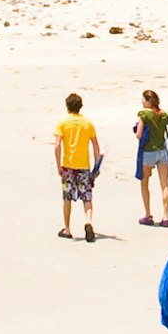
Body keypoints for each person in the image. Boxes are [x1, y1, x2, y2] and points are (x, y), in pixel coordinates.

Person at [54, 93, 104, 241]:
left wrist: (58, 166)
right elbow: (96, 147)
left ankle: (67, 228)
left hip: (68, 165)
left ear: (67, 106)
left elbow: (57, 146)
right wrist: (96, 166)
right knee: (87, 197)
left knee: (67, 197)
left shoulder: (63, 122)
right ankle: (88, 221)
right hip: (84, 165)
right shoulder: (88, 123)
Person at [132, 89, 168, 225]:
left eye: (143, 99)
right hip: (163, 151)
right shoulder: (165, 114)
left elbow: (138, 134)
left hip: (148, 152)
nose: (141, 102)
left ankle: (148, 214)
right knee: (164, 184)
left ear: (148, 101)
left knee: (144, 183)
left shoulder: (144, 114)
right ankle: (165, 216)